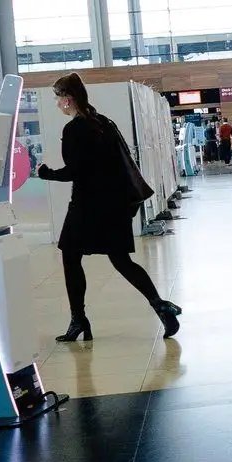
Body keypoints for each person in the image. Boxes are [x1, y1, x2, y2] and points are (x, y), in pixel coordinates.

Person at [37, 73, 182, 340]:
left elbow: (75, 171)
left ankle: (78, 320)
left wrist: (47, 173)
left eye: (58, 99)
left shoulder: (74, 129)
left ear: (68, 99)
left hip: (86, 206)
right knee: (121, 260)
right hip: (115, 206)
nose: (57, 104)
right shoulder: (103, 123)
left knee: (71, 256)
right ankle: (161, 307)